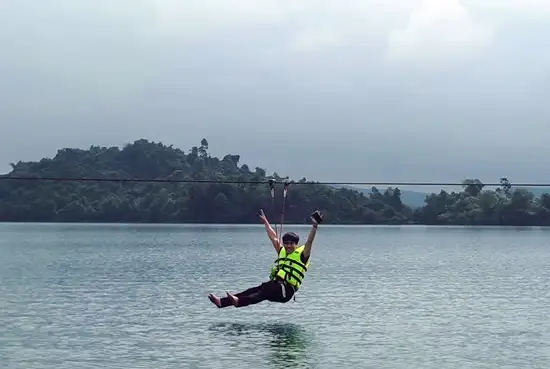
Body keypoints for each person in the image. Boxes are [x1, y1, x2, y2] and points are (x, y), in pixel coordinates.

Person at [208, 209, 323, 308]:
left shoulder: (303, 255)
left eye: (291, 244)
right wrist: (266, 222)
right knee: (254, 290)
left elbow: (309, 241)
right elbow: (273, 237)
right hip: (276, 288)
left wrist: (315, 226)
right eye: (286, 243)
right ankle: (222, 302)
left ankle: (239, 302)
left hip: (286, 292)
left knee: (264, 290)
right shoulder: (282, 251)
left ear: (296, 244)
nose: (288, 246)